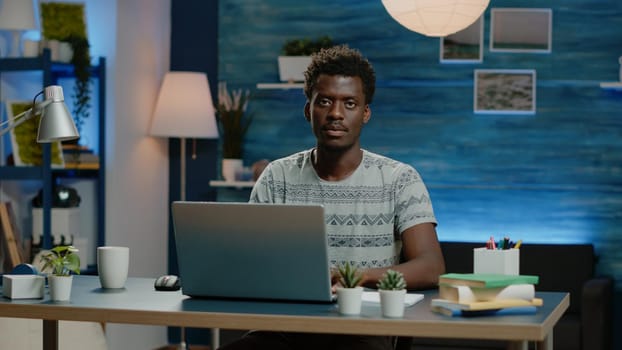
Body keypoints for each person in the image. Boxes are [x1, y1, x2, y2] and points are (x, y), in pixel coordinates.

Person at [219, 45, 445, 350]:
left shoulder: (399, 179)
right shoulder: (277, 177)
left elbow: (432, 267)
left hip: (363, 332)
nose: (336, 113)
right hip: (285, 329)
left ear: (365, 113)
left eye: (349, 103)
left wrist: (355, 277)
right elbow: (251, 263)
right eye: (324, 101)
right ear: (307, 110)